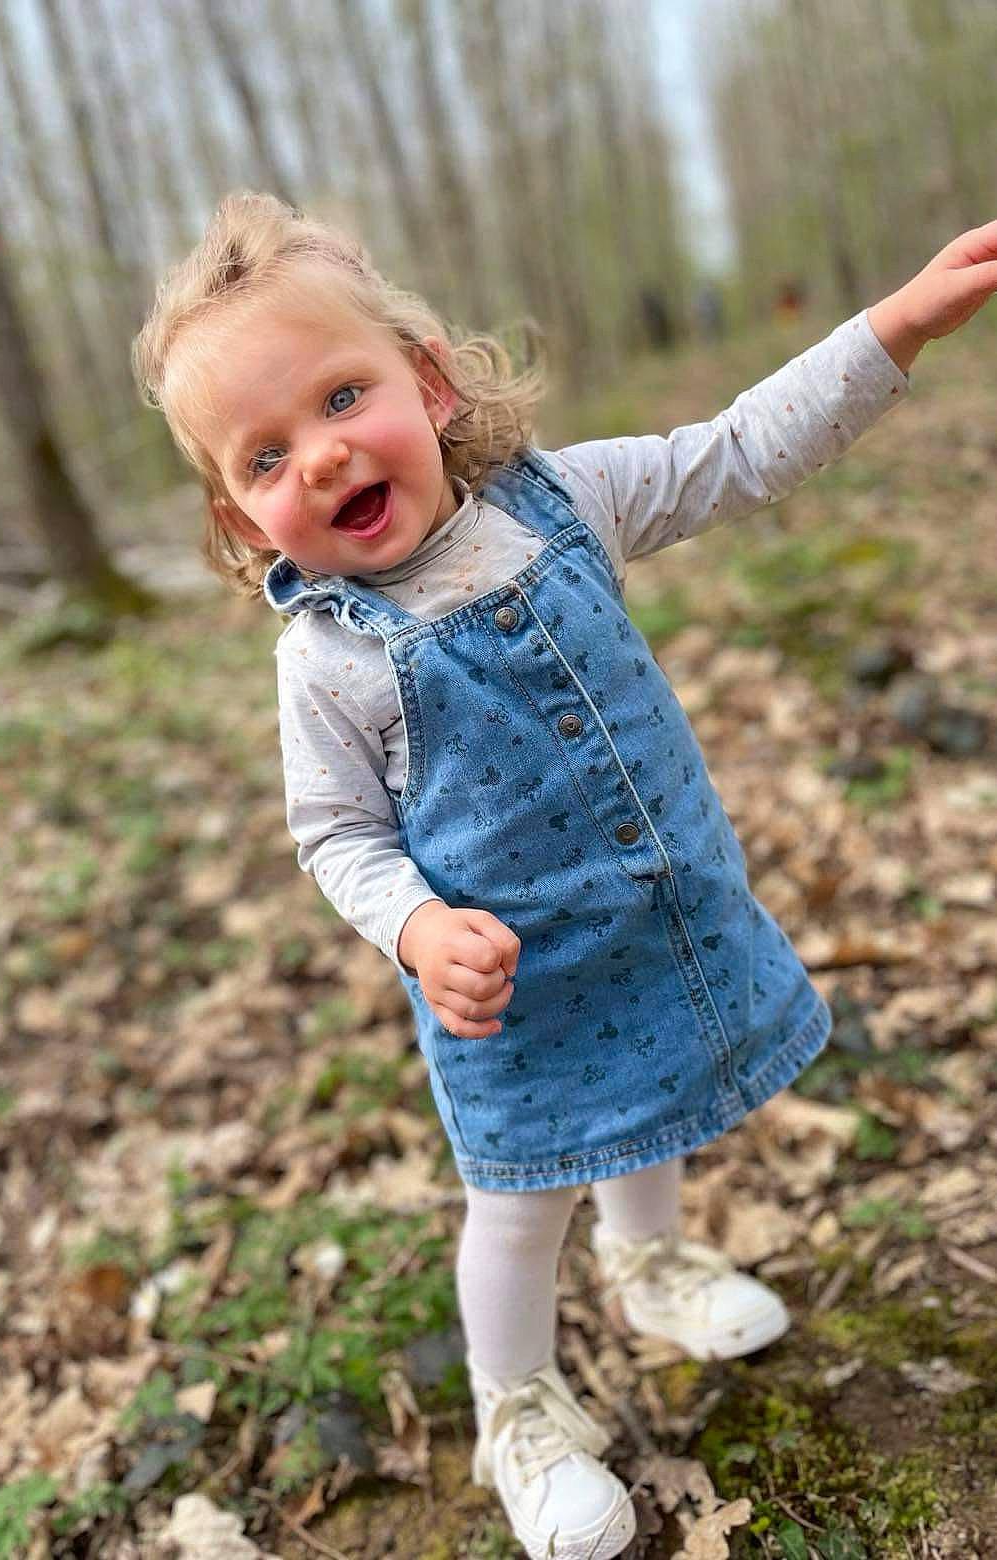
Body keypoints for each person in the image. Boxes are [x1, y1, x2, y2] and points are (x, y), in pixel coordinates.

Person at [133, 195, 997, 1559]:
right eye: (263, 455)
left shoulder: (557, 504)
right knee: (520, 1198)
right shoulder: (331, 658)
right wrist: (415, 929)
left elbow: (735, 454)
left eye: (342, 394)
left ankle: (647, 1262)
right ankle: (517, 1410)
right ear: (240, 514)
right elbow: (335, 834)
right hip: (512, 986)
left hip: (653, 917)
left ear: (426, 381)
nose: (321, 454)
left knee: (654, 1107)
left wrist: (886, 333)